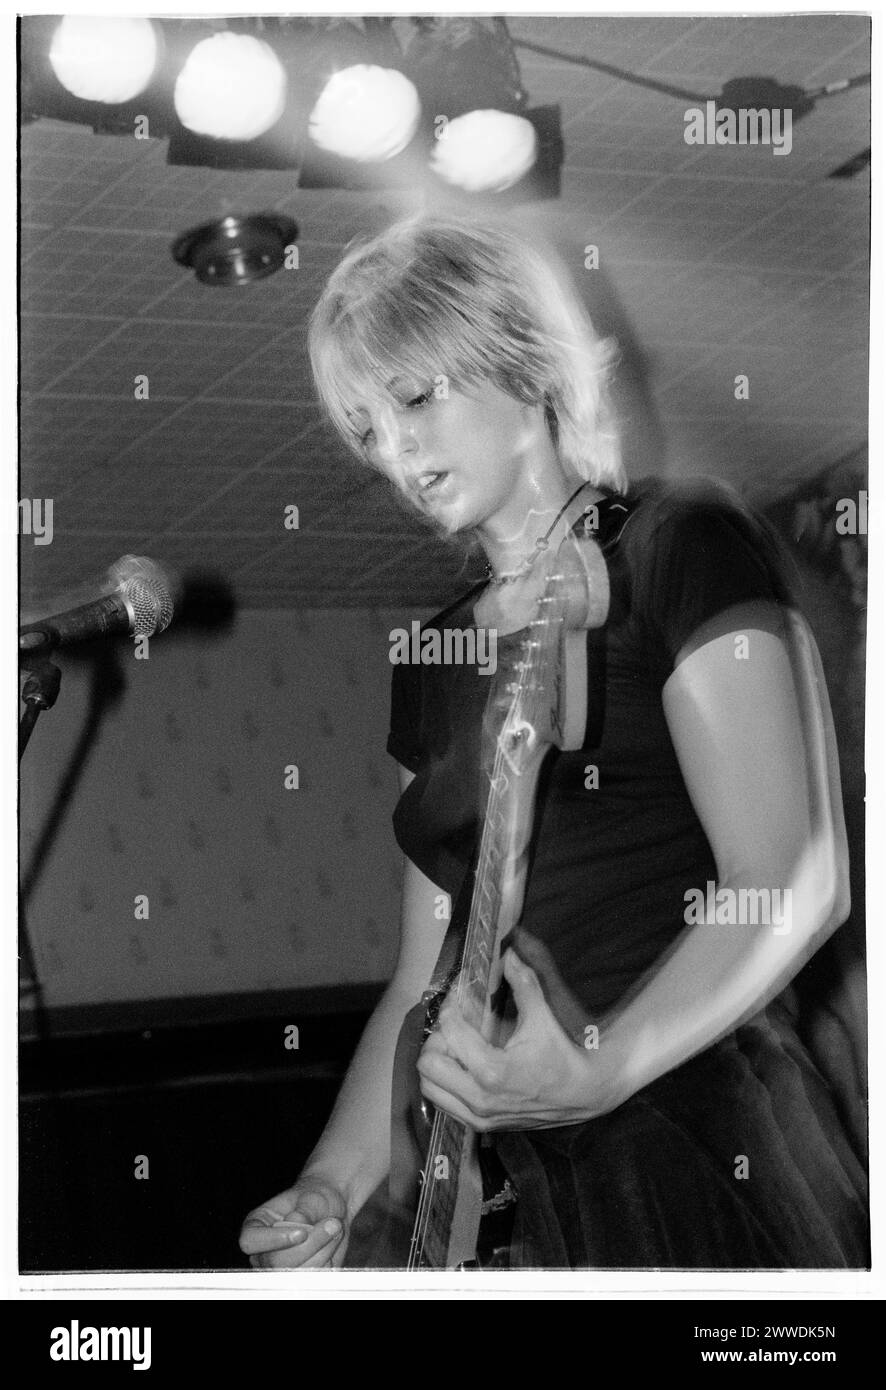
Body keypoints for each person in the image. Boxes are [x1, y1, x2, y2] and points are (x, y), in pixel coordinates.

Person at [239, 214, 868, 1270]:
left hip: (692, 1131)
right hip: (511, 1191)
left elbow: (792, 876)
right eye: (365, 428)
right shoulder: (431, 655)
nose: (395, 451)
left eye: (413, 397)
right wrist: (331, 1185)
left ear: (523, 365)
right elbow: (419, 984)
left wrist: (601, 1064)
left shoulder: (677, 546)